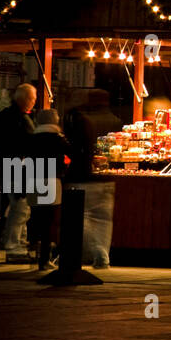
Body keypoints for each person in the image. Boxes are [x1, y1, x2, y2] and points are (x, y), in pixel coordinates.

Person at [62, 88, 121, 268]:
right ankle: (102, 255)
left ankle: (91, 252)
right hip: (106, 179)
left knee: (83, 216)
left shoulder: (80, 120)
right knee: (103, 219)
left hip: (83, 176)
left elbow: (74, 149)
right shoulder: (115, 121)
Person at [0, 84, 36, 262]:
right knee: (21, 208)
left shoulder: (4, 117)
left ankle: (19, 244)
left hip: (7, 165)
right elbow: (32, 142)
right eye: (32, 99)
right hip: (19, 168)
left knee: (19, 207)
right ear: (25, 99)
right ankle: (15, 246)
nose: (34, 102)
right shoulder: (22, 120)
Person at [26, 108, 69, 268]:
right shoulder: (58, 139)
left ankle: (33, 251)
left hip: (33, 180)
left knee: (35, 217)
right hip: (51, 180)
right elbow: (70, 152)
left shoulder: (32, 138)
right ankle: (44, 258)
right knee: (49, 221)